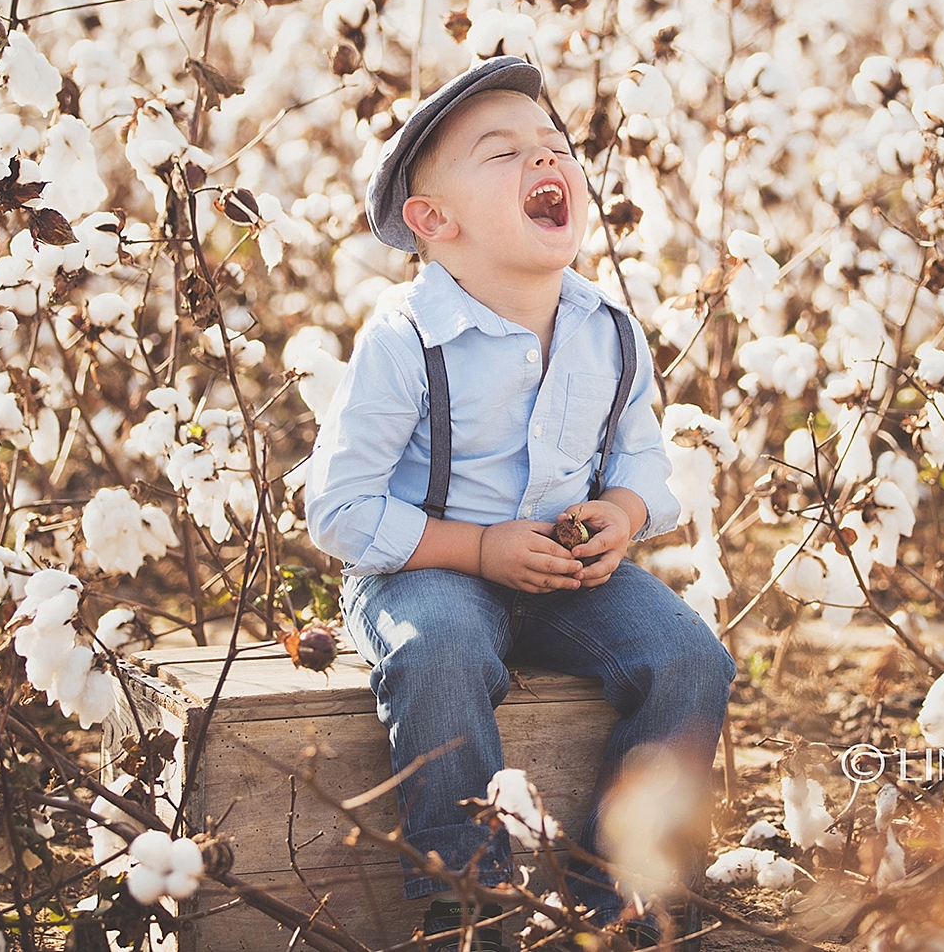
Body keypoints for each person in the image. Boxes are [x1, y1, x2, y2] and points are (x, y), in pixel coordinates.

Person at [303, 56, 736, 950]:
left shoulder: (607, 328)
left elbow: (644, 461)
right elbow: (339, 510)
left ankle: (612, 889)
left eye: (554, 146)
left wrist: (620, 511)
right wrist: (476, 550)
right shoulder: (406, 336)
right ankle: (471, 897)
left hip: (564, 573)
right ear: (434, 221)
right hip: (423, 570)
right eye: (502, 153)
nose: (545, 161)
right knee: (442, 651)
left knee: (693, 661)